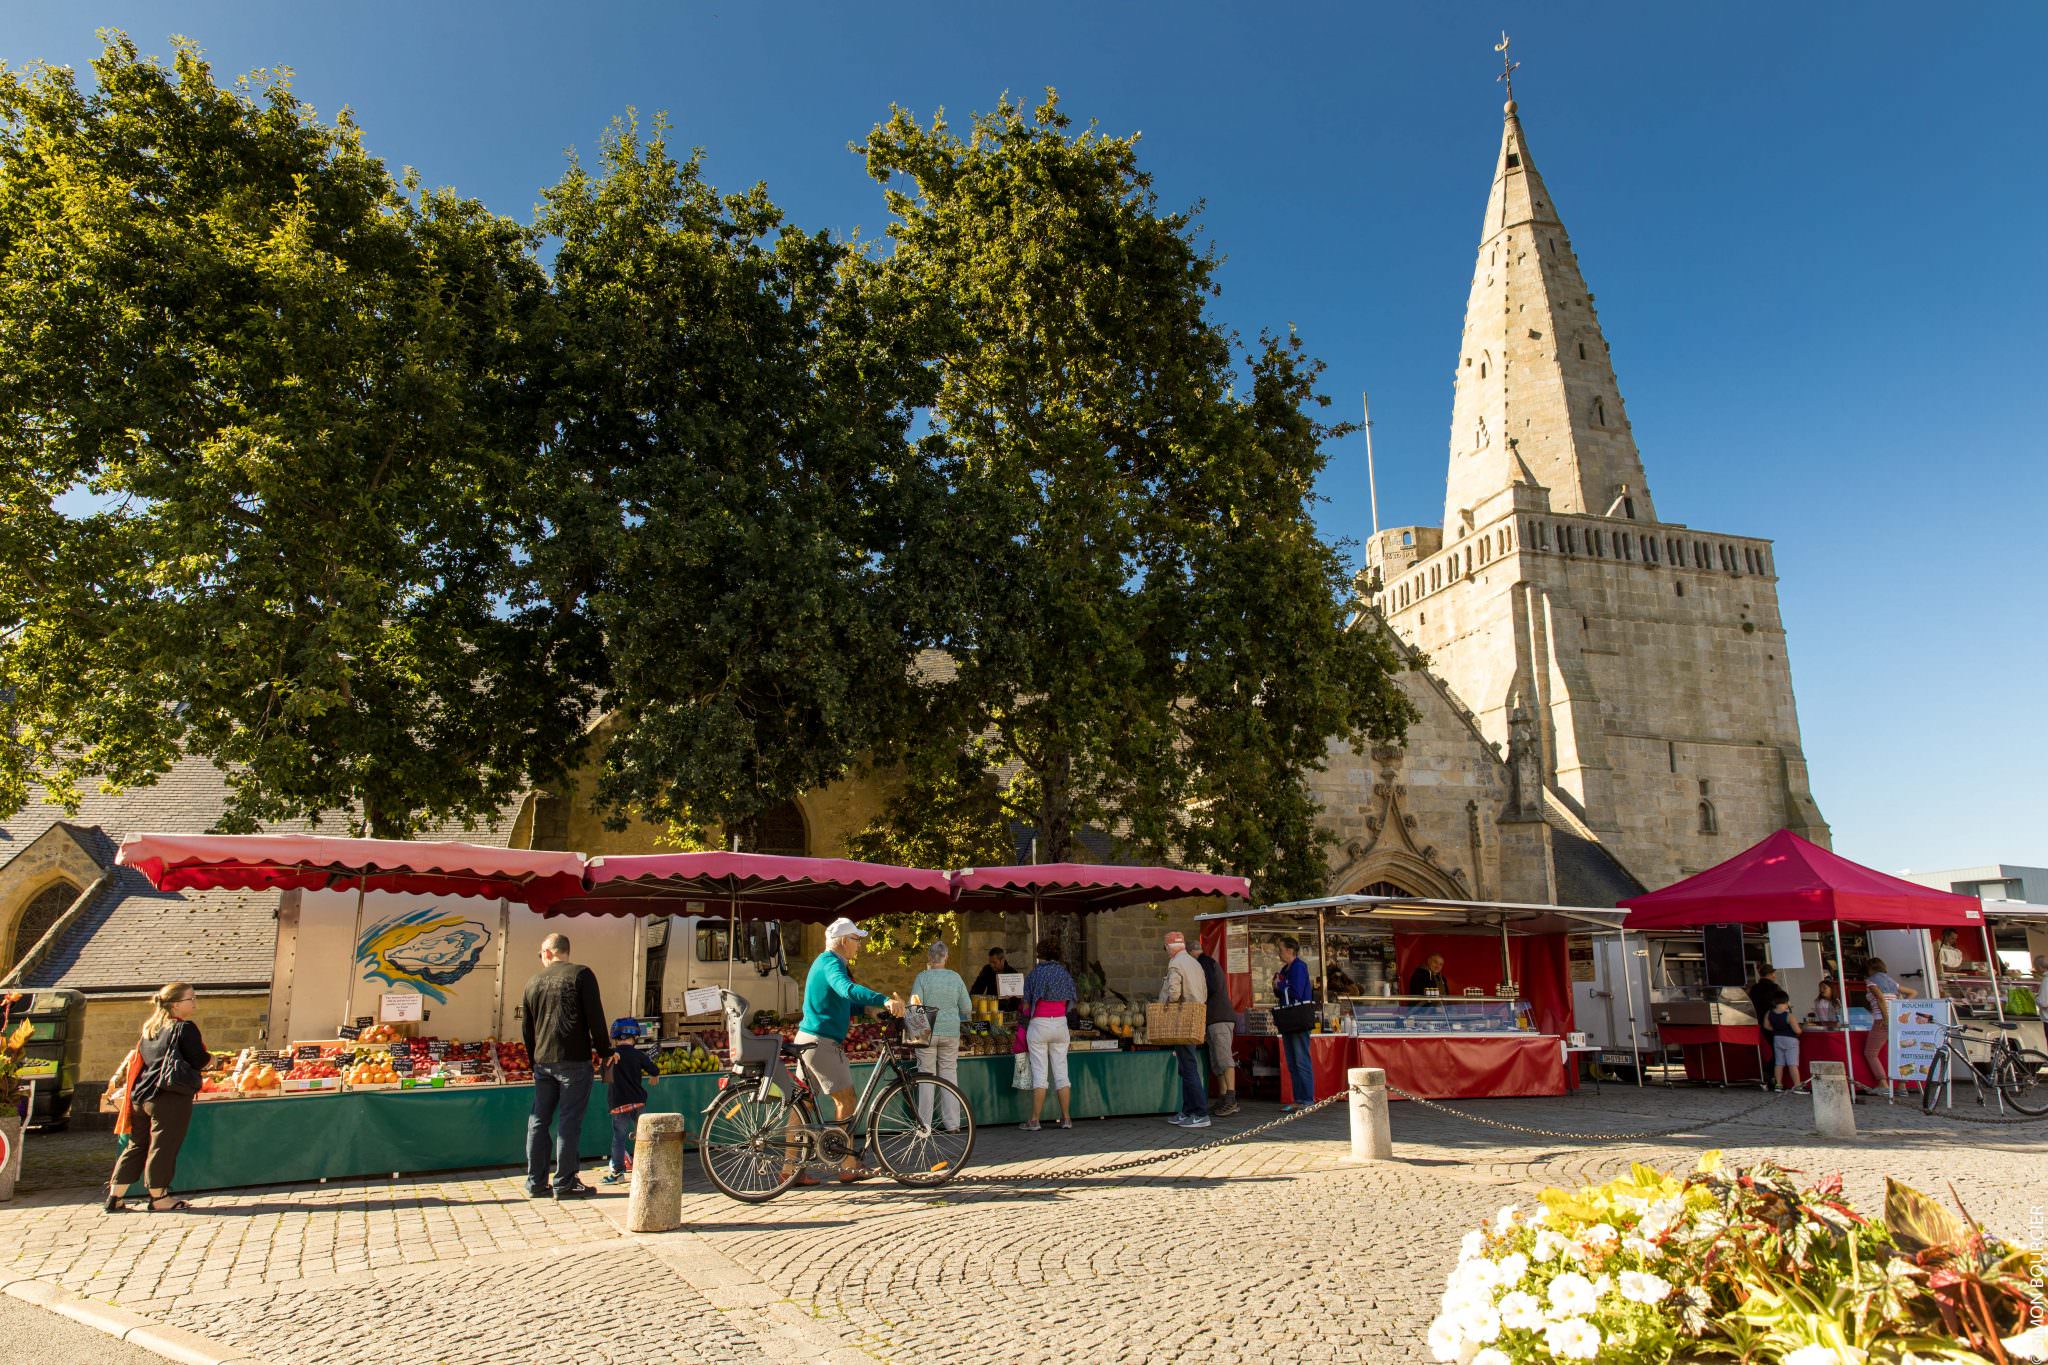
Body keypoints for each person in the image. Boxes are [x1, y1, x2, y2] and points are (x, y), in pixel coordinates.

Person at [794, 918, 905, 1181]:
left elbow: (841, 1001)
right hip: (821, 1043)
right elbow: (846, 990)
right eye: (857, 940)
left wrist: (869, 1009)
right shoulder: (832, 963)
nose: (859, 946)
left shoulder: (824, 963)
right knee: (846, 1099)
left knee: (802, 1104)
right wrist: (883, 999)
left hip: (807, 1039)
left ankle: (791, 1170)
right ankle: (847, 1165)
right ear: (844, 941)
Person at [522, 932, 612, 1200]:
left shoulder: (532, 982)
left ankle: (536, 1182)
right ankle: (565, 1182)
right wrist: (605, 1051)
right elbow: (596, 1016)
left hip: (543, 1060)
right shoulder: (582, 974)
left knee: (538, 1121)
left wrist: (532, 1059)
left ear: (548, 952)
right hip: (574, 1058)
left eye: (541, 954)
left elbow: (527, 1028)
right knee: (569, 1121)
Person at [106, 981, 205, 1213]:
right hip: (167, 1095)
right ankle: (159, 1197)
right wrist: (212, 1060)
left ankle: (115, 1196)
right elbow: (198, 1059)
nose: (195, 1003)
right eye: (190, 999)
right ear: (175, 1005)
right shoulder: (184, 1028)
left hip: (141, 1095)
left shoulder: (150, 1029)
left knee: (136, 1145)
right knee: (163, 1145)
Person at [911, 940, 972, 1132]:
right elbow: (967, 1008)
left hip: (927, 1032)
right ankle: (952, 1124)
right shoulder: (955, 978)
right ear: (946, 957)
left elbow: (915, 1004)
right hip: (951, 1032)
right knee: (949, 1075)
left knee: (926, 1077)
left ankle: (925, 1125)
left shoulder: (922, 978)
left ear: (930, 958)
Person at [1019, 937, 1077, 1131]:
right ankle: (1067, 1118)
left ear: (1039, 955)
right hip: (1060, 1024)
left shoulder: (1035, 974)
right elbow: (1072, 1000)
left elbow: (1026, 1004)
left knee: (1040, 1074)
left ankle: (1035, 1120)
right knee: (1062, 1074)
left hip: (1039, 1026)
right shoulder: (1064, 973)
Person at [1159, 931, 1210, 1129]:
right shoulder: (1193, 962)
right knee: (1187, 1064)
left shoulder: (1175, 964)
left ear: (1169, 948)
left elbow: (1173, 993)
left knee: (1188, 1067)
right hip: (1196, 1015)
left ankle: (1200, 1112)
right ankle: (1187, 1111)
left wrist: (1167, 1006)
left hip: (1181, 1018)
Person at [599, 1018, 660, 1185]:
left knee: (619, 1137)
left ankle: (618, 1172)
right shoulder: (639, 1055)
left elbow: (604, 1076)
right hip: (638, 1101)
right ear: (635, 1038)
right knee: (645, 1135)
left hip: (618, 1103)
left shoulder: (611, 1056)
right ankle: (649, 1169)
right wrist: (654, 1076)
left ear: (615, 1038)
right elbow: (654, 1069)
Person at [1194, 940, 1238, 1117]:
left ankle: (1231, 1098)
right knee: (1217, 1060)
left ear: (1191, 953)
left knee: (1223, 1058)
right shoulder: (1208, 962)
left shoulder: (1205, 963)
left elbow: (1210, 988)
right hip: (1215, 1018)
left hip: (1219, 1018)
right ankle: (1223, 1096)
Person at [1862, 956, 1918, 1092]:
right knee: (1898, 1052)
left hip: (1882, 1019)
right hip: (1897, 1020)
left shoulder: (1871, 981)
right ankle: (1902, 1086)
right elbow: (1913, 992)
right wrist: (1900, 1006)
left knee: (1871, 1053)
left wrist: (1886, 1018)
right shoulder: (1891, 982)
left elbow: (1880, 998)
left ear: (1870, 968)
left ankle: (1882, 1083)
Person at [1273, 937, 1316, 1112]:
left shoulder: (1299, 967)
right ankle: (1298, 1098)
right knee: (1292, 1061)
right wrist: (1278, 986)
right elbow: (1283, 992)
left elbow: (1296, 991)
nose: (1279, 952)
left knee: (1301, 1059)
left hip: (1298, 1018)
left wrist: (1280, 984)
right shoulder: (1285, 968)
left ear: (1290, 950)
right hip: (1288, 1019)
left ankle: (1307, 1098)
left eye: (1281, 949)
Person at [1746, 966, 1789, 1089]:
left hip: (1759, 1021)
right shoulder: (1774, 988)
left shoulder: (1754, 988)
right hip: (1774, 1022)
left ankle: (1770, 1073)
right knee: (1778, 1049)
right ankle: (1771, 1072)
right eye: (1774, 973)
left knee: (1772, 1048)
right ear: (1771, 974)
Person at [1766, 993, 1803, 1092]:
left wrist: (1776, 1030)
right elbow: (1797, 1031)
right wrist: (1800, 1029)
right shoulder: (1789, 1016)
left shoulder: (1769, 1013)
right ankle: (1797, 1085)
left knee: (1779, 1063)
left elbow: (1766, 1026)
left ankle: (1778, 1084)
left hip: (1777, 1038)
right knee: (1792, 1063)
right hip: (1790, 1040)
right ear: (1786, 1002)